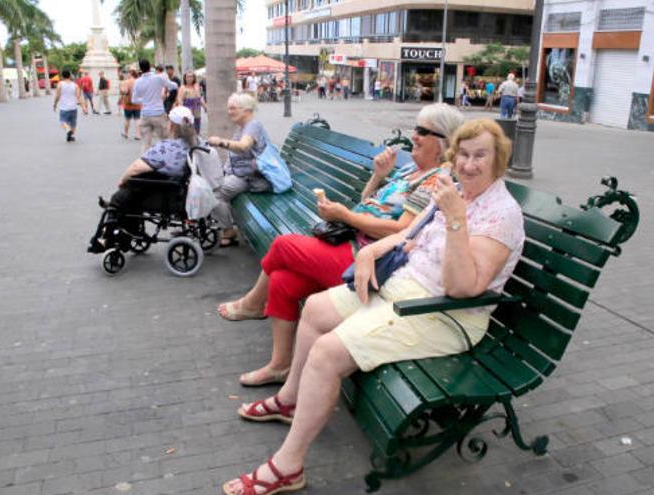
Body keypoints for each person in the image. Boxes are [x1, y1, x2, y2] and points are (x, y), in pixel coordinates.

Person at [221, 118, 524, 495]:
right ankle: (289, 401)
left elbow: (463, 288)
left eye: (480, 155)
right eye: (463, 154)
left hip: (443, 314)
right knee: (315, 309)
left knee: (327, 353)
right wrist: (371, 254)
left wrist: (457, 222)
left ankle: (287, 467)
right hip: (404, 287)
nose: (468, 164)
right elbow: (407, 235)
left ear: (500, 161)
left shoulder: (501, 214)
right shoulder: (456, 191)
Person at [216, 103, 465, 387]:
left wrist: (344, 215)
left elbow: (403, 230)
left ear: (443, 142)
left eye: (423, 131)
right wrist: (378, 175)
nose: (414, 136)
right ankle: (279, 366)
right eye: (416, 128)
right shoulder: (409, 169)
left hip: (370, 262)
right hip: (351, 239)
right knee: (284, 281)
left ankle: (253, 303)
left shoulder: (436, 180)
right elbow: (368, 203)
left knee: (284, 246)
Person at [89, 106, 199, 254]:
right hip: (177, 191)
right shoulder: (196, 143)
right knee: (131, 191)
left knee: (122, 196)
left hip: (161, 195)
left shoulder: (166, 148)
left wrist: (123, 180)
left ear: (171, 125)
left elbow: (135, 167)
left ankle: (109, 238)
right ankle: (130, 228)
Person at [206, 92, 272, 248]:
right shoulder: (243, 127)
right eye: (229, 109)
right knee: (211, 184)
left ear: (246, 110)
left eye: (233, 108)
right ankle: (228, 225)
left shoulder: (253, 126)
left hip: (251, 178)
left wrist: (220, 141)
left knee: (212, 194)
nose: (230, 112)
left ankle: (229, 230)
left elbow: (243, 146)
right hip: (241, 174)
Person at [132, 59, 179, 152]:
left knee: (146, 142)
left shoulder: (137, 81)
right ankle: (166, 160)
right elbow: (173, 86)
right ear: (150, 66)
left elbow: (134, 100)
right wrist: (167, 78)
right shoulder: (158, 78)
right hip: (158, 113)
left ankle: (145, 162)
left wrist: (145, 100)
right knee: (164, 140)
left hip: (145, 114)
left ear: (140, 69)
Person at [53, 69, 87, 142]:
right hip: (73, 108)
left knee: (63, 121)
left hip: (64, 108)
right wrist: (83, 107)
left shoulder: (60, 84)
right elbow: (78, 97)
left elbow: (57, 96)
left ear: (62, 76)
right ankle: (71, 136)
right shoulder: (75, 85)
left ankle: (68, 130)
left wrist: (55, 104)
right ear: (70, 76)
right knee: (73, 124)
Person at [176, 70, 208, 134]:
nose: (190, 78)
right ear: (185, 78)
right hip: (187, 109)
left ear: (194, 78)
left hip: (197, 109)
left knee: (197, 125)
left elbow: (199, 98)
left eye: (191, 76)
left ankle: (196, 139)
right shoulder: (182, 87)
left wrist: (205, 106)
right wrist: (183, 110)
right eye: (188, 76)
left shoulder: (196, 86)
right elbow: (179, 99)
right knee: (188, 127)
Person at [119, 70, 142, 140]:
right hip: (138, 103)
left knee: (127, 119)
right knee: (137, 119)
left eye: (127, 73)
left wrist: (121, 89)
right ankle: (138, 135)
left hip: (128, 103)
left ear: (130, 74)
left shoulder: (126, 82)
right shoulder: (139, 81)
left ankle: (126, 133)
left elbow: (124, 91)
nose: (126, 75)